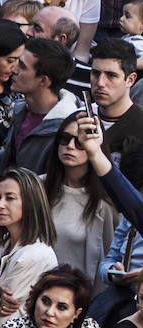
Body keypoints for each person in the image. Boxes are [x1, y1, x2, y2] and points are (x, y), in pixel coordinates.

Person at [44, 110, 121, 287]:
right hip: (28, 292)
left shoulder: (105, 205)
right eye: (64, 138)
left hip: (76, 300)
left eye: (80, 142)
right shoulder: (37, 186)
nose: (70, 146)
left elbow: (106, 263)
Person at [0, 168, 60, 313]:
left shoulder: (33, 254)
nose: (0, 205)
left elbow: (0, 310)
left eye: (10, 198)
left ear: (31, 202)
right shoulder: (5, 242)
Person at [91, 37, 143, 158]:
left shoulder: (140, 126)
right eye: (95, 73)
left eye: (111, 75)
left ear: (130, 80)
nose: (100, 83)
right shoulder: (77, 118)